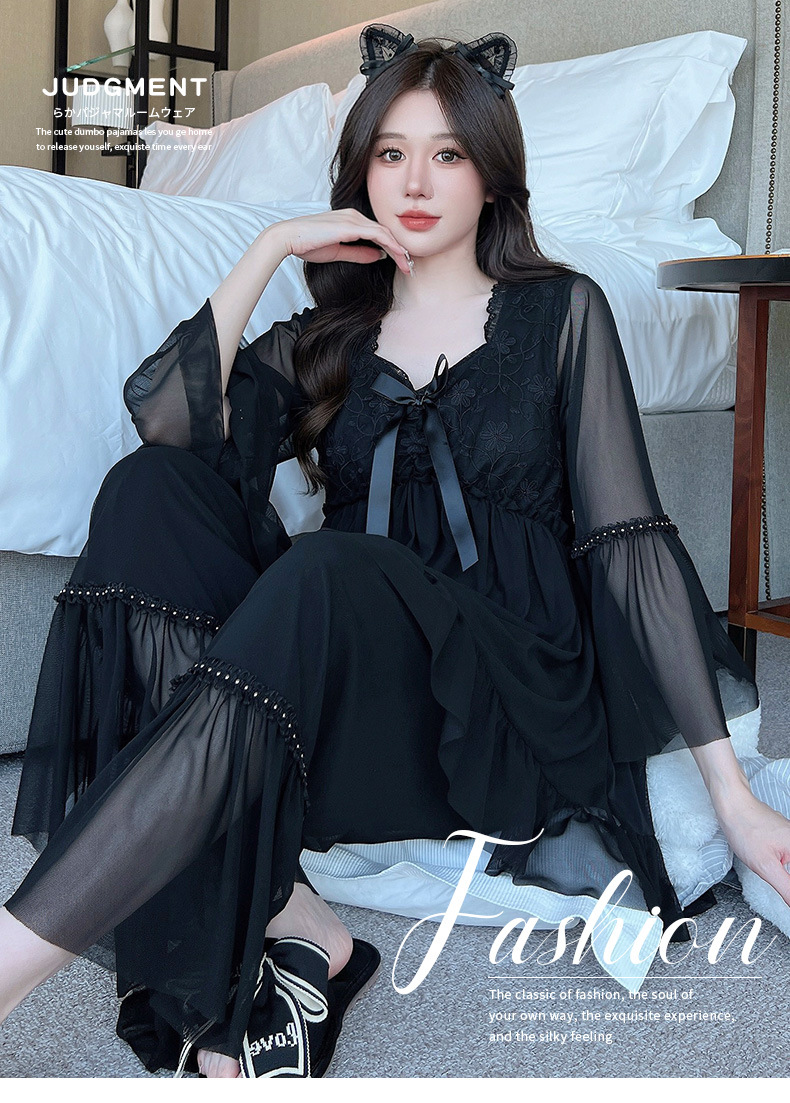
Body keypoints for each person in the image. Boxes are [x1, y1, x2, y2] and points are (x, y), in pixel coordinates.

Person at [2, 22, 790, 1079]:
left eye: (447, 153)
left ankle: (15, 960)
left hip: (498, 699)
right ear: (361, 171)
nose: (414, 182)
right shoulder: (332, 334)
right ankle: (299, 916)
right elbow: (166, 420)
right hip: (345, 686)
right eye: (389, 152)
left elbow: (630, 544)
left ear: (490, 173)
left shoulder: (561, 310)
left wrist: (732, 797)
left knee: (327, 565)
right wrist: (271, 247)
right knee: (149, 488)